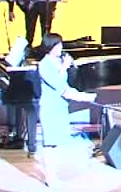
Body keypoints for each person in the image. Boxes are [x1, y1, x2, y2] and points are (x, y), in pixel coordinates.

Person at [36, 33, 96, 183]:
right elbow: (58, 84)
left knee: (56, 142)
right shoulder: (44, 64)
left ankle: (53, 174)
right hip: (50, 108)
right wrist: (64, 67)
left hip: (60, 107)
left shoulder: (57, 62)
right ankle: (50, 177)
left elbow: (66, 86)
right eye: (57, 45)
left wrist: (84, 95)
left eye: (61, 44)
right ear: (50, 46)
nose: (60, 48)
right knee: (50, 143)